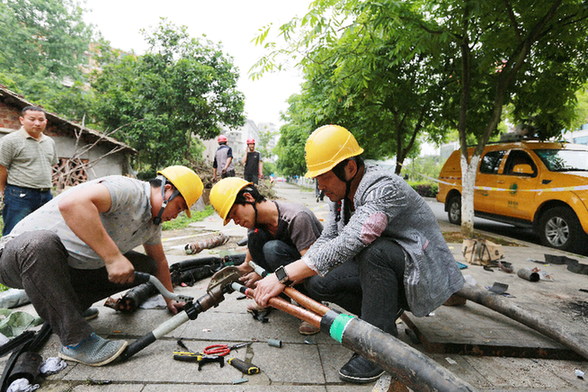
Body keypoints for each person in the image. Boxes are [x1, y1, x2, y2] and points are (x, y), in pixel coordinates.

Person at [253, 125, 464, 384]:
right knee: (319, 281)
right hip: (389, 273)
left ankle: (376, 348)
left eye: (323, 177)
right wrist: (287, 275)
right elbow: (329, 239)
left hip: (421, 275)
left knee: (374, 252)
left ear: (349, 168)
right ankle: (381, 315)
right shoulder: (340, 197)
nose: (319, 186)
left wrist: (283, 275)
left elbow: (352, 240)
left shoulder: (383, 188)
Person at [0, 165, 203, 366]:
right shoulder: (128, 190)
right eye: (179, 207)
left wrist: (169, 298)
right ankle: (76, 341)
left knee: (145, 264)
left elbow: (159, 261)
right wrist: (113, 257)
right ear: (167, 190)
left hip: (64, 266)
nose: (176, 215)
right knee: (40, 243)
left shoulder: (151, 223)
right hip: (18, 256)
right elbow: (72, 204)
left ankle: (69, 309)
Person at [209, 177, 325, 334]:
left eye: (234, 213)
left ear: (248, 198)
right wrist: (240, 273)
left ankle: (312, 307)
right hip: (287, 271)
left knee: (273, 249)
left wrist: (274, 282)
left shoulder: (297, 217)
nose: (235, 222)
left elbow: (313, 266)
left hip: (314, 273)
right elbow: (248, 263)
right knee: (256, 237)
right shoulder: (254, 223)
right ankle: (279, 300)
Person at [0, 106, 58, 236]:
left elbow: (51, 166)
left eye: (41, 120)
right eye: (32, 119)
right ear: (22, 120)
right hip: (19, 195)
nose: (37, 123)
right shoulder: (10, 140)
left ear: (46, 122)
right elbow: (1, 167)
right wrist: (3, 192)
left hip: (46, 195)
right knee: (13, 235)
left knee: (42, 235)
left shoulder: (50, 142)